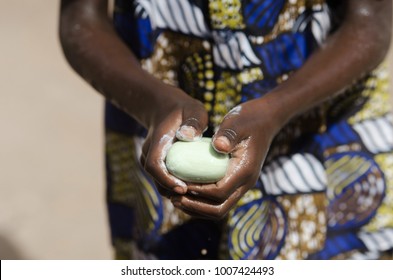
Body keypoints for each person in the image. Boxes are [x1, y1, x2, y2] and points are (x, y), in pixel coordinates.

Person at [59, 0, 393, 259]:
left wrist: (275, 111)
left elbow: (370, 22)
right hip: (156, 117)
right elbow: (81, 20)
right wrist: (152, 104)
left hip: (321, 128)